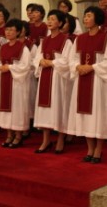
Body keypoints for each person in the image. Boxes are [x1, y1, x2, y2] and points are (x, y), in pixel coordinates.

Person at [67, 6, 107, 164]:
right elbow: (72, 58)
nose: (86, 19)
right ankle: (89, 148)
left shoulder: (106, 38)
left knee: (98, 115)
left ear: (97, 18)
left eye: (89, 16)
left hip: (98, 83)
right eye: (85, 16)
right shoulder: (79, 39)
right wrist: (77, 66)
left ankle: (98, 149)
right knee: (86, 117)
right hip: (82, 80)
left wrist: (92, 67)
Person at [33, 10, 72, 154]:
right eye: (48, 19)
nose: (49, 21)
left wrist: (52, 62)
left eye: (53, 19)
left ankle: (61, 138)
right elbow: (36, 57)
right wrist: (40, 61)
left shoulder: (66, 40)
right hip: (45, 76)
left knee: (59, 106)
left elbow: (67, 60)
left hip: (58, 79)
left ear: (60, 23)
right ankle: (46, 140)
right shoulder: (44, 41)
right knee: (45, 109)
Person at [0, 19, 32, 148]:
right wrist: (0, 68)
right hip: (5, 81)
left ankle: (18, 136)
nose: (8, 32)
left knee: (17, 108)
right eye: (7, 29)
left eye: (11, 30)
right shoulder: (2, 48)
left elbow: (25, 66)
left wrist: (9, 67)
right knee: (6, 109)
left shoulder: (23, 48)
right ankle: (9, 135)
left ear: (18, 32)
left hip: (17, 84)